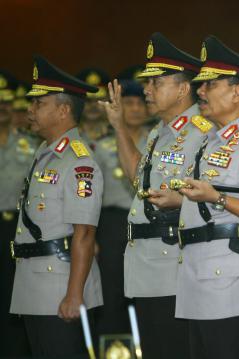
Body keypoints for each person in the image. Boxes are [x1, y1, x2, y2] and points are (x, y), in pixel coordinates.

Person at [173, 35, 239, 359]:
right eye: (201, 85)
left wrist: (216, 198)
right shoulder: (212, 139)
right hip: (200, 280)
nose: (200, 91)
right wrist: (181, 199)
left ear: (237, 91)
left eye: (210, 85)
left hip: (235, 285)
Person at [100, 32, 204, 358]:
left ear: (183, 89)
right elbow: (138, 180)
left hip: (177, 264)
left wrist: (184, 201)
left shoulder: (203, 131)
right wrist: (118, 127)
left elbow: (217, 194)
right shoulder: (161, 130)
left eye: (156, 82)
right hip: (149, 263)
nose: (147, 89)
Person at [10, 55, 103, 358]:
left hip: (59, 287)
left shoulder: (78, 161)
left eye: (39, 104)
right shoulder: (45, 152)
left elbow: (85, 233)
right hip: (34, 284)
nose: (31, 109)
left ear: (63, 110)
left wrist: (74, 295)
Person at [93, 66, 149, 337]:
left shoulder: (157, 142)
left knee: (146, 289)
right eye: (129, 103)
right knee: (112, 289)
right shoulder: (103, 147)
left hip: (147, 222)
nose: (136, 109)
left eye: (141, 103)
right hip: (113, 225)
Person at [0, 71, 32, 358]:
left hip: (17, 229)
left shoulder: (30, 145)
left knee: (15, 297)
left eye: (7, 103)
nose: (2, 109)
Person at [77, 68, 111, 150]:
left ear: (108, 99)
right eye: (88, 100)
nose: (93, 105)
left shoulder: (119, 132)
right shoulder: (67, 133)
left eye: (99, 99)